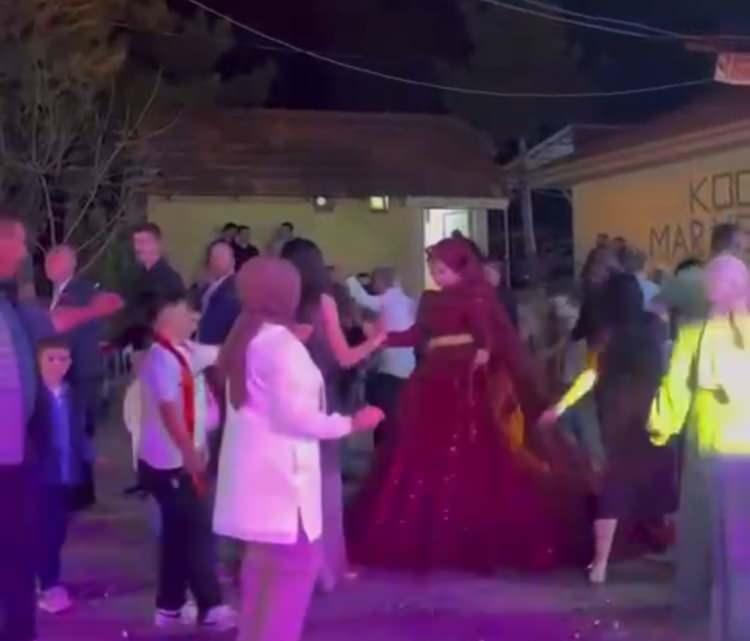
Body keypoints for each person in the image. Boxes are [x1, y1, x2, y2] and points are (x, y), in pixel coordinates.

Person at [347, 237, 589, 574]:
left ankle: (468, 534)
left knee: (472, 449)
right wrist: (382, 338)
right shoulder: (430, 300)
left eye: (443, 270)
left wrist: (484, 350)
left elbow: (487, 332)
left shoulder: (476, 296)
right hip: (433, 378)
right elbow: (418, 334)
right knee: (424, 452)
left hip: (464, 379)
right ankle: (430, 531)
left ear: (461, 269)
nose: (437, 275)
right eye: (434, 269)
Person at [212, 257, 382, 641]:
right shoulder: (279, 347)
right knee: (290, 578)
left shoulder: (249, 337)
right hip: (284, 483)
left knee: (261, 579)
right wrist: (352, 423)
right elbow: (298, 418)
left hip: (258, 480)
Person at [0, 211, 122, 641]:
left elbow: (50, 323)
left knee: (19, 550)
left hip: (17, 455)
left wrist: (92, 311)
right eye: (18, 242)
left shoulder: (12, 304)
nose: (24, 253)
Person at [541, 273, 676, 583]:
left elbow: (590, 376)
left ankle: (600, 564)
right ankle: (665, 544)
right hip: (652, 407)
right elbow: (667, 365)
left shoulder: (607, 334)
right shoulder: (655, 326)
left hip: (616, 410)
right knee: (657, 474)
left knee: (614, 484)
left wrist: (560, 407)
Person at [650, 254, 750, 637]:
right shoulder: (697, 335)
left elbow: (675, 387)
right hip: (718, 447)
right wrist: (662, 424)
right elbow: (676, 386)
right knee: (720, 539)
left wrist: (661, 426)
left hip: (713, 450)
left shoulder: (695, 334)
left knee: (710, 538)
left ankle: (714, 620)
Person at [281, 239, 385, 591]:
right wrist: (376, 340)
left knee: (292, 484)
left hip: (285, 397)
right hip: (321, 396)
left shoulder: (281, 305)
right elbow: (344, 357)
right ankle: (326, 567)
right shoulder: (322, 302)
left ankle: (295, 565)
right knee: (325, 482)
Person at [136, 292, 236, 630]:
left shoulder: (185, 351)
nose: (195, 317)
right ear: (164, 315)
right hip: (173, 464)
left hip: (180, 459)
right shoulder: (160, 358)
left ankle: (171, 606)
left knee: (178, 535)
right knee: (196, 533)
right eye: (186, 311)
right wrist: (189, 451)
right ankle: (210, 606)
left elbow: (224, 352)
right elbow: (169, 409)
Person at [29, 337, 89, 614]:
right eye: (50, 359)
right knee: (47, 530)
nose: (57, 365)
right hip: (39, 476)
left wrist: (86, 456)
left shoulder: (72, 395)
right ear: (38, 361)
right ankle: (48, 584)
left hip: (68, 473)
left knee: (58, 529)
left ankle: (44, 580)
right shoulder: (31, 396)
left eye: (63, 359)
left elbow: (79, 430)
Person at [45, 244, 103, 509]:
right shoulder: (61, 293)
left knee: (77, 431)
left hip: (79, 372)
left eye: (54, 261)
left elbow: (73, 335)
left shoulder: (78, 293)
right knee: (74, 431)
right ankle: (81, 491)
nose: (48, 266)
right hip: (74, 370)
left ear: (70, 264)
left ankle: (80, 493)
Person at [346, 267, 416, 446]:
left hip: (390, 367)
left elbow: (363, 299)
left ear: (380, 282)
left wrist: (350, 280)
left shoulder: (388, 299)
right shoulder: (408, 302)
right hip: (408, 367)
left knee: (387, 415)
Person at [121, 223, 185, 353]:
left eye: (143, 242)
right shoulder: (139, 277)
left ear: (157, 245)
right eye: (136, 242)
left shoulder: (168, 279)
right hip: (141, 347)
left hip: (157, 348)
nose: (138, 248)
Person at [197, 240, 240, 346]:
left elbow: (213, 328)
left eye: (221, 257)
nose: (215, 261)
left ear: (233, 261)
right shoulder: (209, 286)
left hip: (211, 347)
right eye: (214, 257)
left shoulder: (232, 290)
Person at [484, 258, 519, 329]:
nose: (485, 276)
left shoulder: (505, 295)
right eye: (485, 273)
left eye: (488, 273)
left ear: (498, 275)